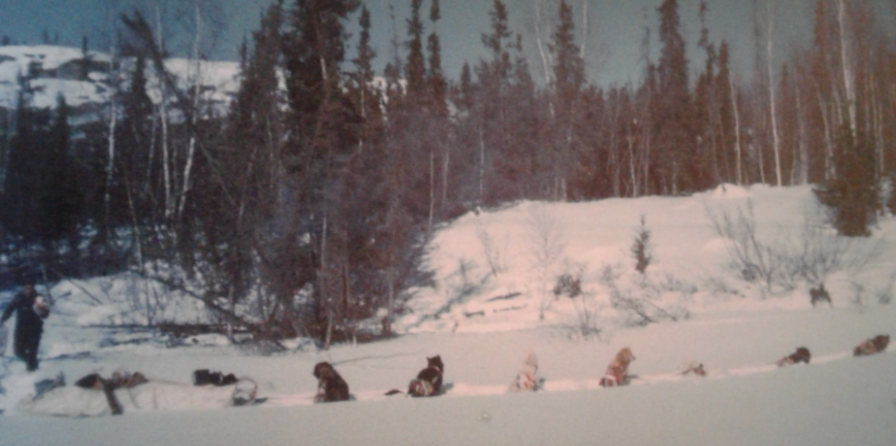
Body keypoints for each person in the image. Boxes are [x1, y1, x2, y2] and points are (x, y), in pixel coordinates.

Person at [0, 283, 48, 371]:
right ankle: (32, 363)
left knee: (32, 352)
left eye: (30, 288)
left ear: (33, 288)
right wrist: (2, 320)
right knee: (18, 351)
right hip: (21, 329)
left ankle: (33, 373)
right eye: (26, 288)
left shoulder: (38, 298)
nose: (28, 290)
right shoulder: (19, 297)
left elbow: (45, 314)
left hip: (35, 329)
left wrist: (40, 309)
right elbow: (10, 309)